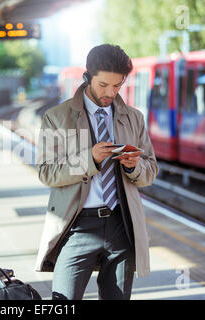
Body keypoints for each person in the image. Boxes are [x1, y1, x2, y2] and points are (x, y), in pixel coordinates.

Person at [34, 44, 158, 300]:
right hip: (76, 226)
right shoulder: (57, 117)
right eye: (103, 85)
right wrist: (89, 159)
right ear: (87, 76)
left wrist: (134, 166)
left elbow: (151, 171)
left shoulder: (133, 118)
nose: (110, 93)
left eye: (117, 86)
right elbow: (46, 172)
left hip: (121, 225)